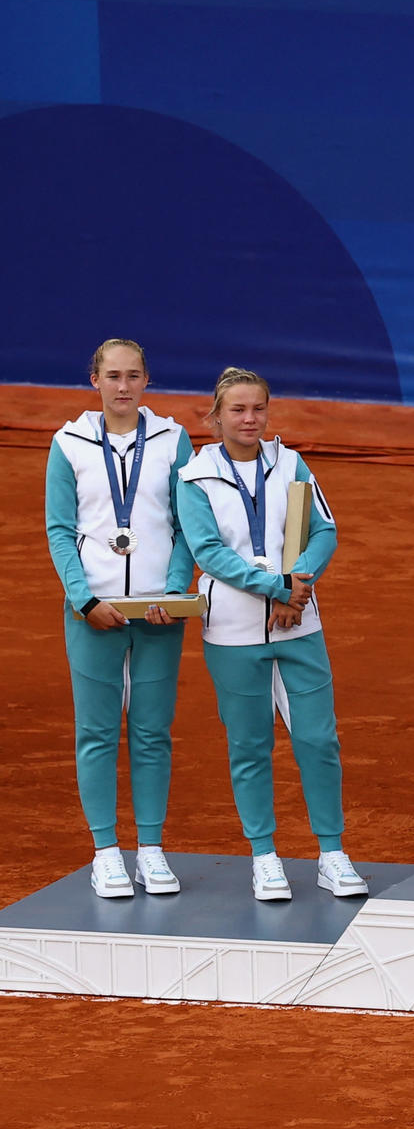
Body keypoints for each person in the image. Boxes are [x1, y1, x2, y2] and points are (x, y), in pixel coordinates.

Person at [175, 368, 366, 901]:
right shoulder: (194, 476)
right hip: (234, 630)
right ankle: (264, 857)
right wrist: (276, 587)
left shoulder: (292, 463)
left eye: (258, 408)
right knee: (249, 745)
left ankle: (332, 853)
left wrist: (297, 582)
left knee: (318, 740)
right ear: (216, 416)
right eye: (237, 409)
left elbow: (323, 529)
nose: (249, 418)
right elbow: (207, 552)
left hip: (299, 624)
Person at [43, 338, 193, 900]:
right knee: (97, 734)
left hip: (158, 613)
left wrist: (175, 591)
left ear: (147, 380)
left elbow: (187, 525)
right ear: (95, 380)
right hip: (92, 612)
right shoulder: (70, 442)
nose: (123, 386)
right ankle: (106, 852)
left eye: (133, 375)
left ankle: (150, 850)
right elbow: (60, 530)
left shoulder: (173, 440)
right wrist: (84, 600)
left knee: (153, 733)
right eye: (112, 375)